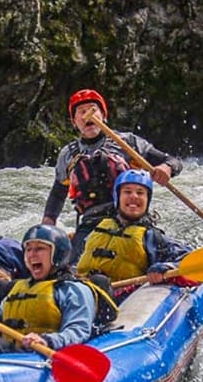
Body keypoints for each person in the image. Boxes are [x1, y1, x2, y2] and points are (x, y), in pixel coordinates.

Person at [42, 88, 185, 260]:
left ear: (104, 115)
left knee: (162, 255)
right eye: (81, 111)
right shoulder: (68, 155)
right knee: (71, 268)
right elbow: (58, 194)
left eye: (93, 109)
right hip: (90, 224)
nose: (88, 114)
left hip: (130, 219)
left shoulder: (127, 142)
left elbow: (172, 161)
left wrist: (167, 168)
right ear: (74, 121)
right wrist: (48, 224)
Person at [0, 224, 98, 353]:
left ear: (58, 254)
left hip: (42, 354)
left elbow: (78, 330)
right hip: (16, 353)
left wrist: (47, 340)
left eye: (39, 249)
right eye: (28, 249)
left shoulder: (73, 290)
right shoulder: (20, 287)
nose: (32, 255)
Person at [75, 169, 193, 300]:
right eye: (127, 191)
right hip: (83, 291)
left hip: (121, 299)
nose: (134, 196)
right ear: (117, 197)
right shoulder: (96, 227)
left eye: (140, 192)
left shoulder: (152, 237)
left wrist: (166, 267)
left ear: (147, 200)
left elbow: (189, 260)